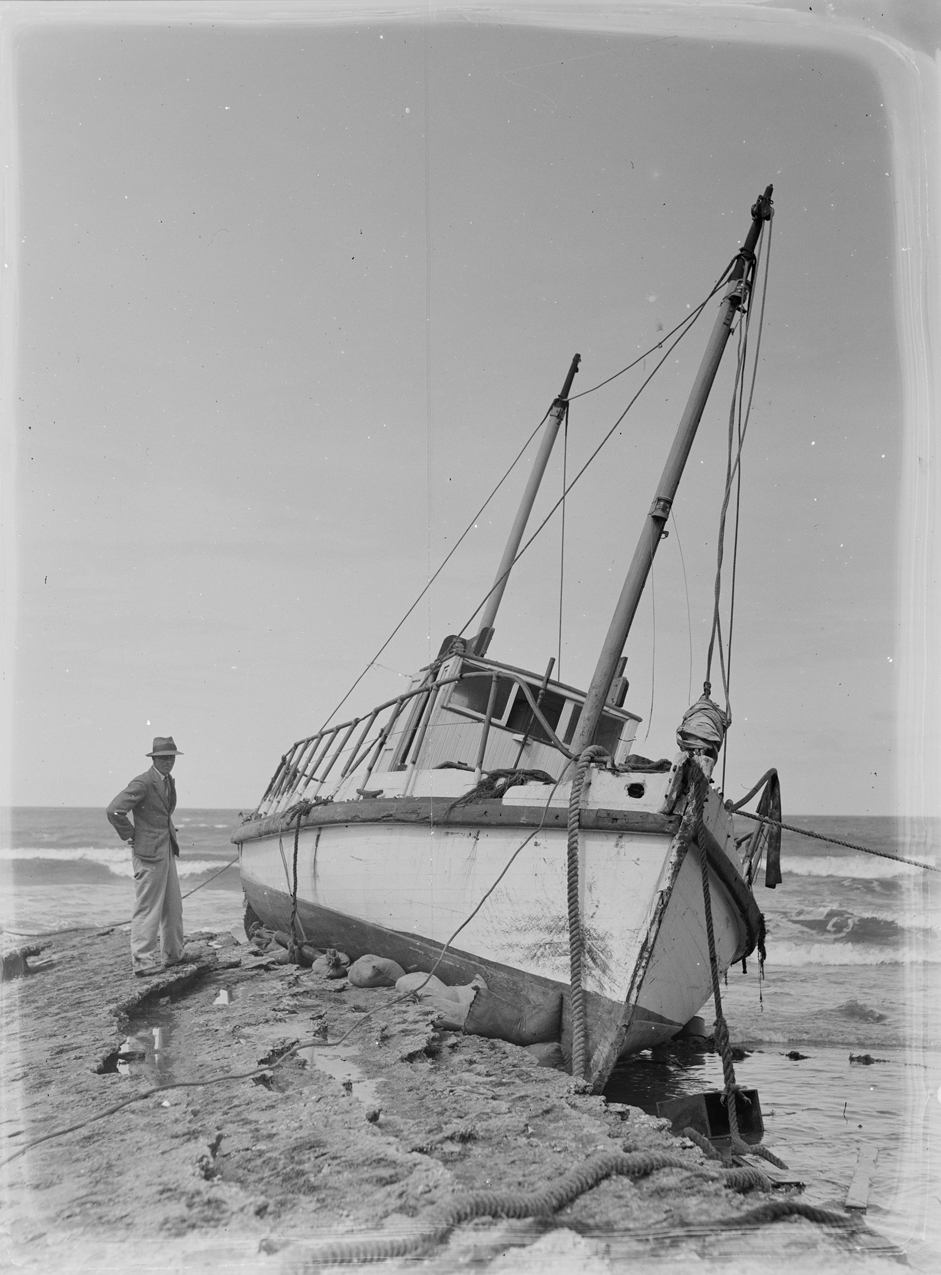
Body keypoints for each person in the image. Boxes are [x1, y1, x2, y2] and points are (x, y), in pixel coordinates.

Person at [107, 737, 185, 977]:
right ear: (154, 759)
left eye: (171, 758)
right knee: (148, 907)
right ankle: (142, 962)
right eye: (164, 758)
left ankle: (173, 955)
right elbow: (114, 810)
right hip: (149, 853)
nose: (168, 762)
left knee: (173, 906)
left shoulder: (167, 780)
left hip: (166, 848)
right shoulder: (143, 782)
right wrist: (132, 834)